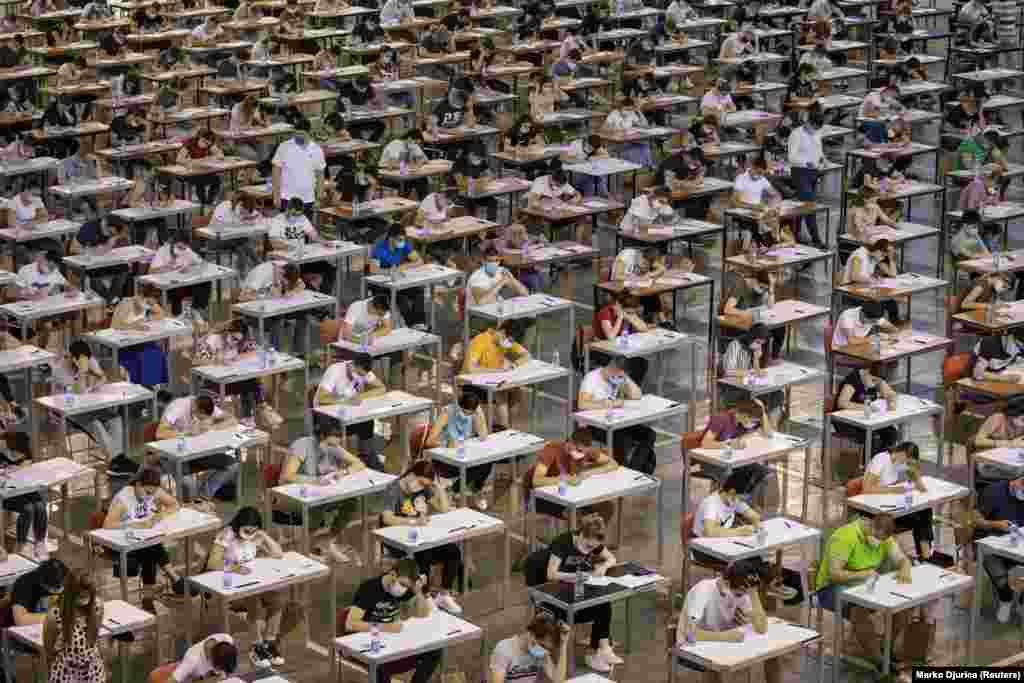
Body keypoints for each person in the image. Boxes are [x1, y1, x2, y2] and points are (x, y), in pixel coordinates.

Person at [814, 514, 917, 664]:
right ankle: (877, 660)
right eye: (876, 536)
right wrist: (863, 574)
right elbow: (834, 574)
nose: (877, 542)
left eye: (882, 539)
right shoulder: (845, 537)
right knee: (858, 611)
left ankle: (886, 647)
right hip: (831, 588)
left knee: (904, 603)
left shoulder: (885, 539)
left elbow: (901, 559)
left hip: (867, 585)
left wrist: (905, 568)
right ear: (870, 526)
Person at [535, 514, 622, 672]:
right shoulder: (563, 543)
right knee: (600, 606)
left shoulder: (593, 541)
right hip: (556, 601)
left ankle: (600, 650)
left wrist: (603, 567)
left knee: (603, 603)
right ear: (582, 534)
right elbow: (551, 574)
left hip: (578, 594)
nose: (590, 550)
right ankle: (598, 651)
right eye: (588, 547)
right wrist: (574, 576)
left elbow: (611, 558)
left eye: (593, 548)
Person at [379, 460, 465, 613]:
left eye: (425, 485)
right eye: (420, 482)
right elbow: (387, 518)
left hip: (421, 536)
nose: (421, 487)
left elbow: (444, 509)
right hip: (397, 541)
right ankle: (425, 597)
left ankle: (443, 595)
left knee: (453, 552)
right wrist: (413, 522)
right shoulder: (393, 489)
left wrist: (438, 488)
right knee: (423, 554)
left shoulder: (423, 488)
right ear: (412, 475)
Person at [205, 507, 287, 667]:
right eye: (246, 530)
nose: (249, 534)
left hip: (252, 582)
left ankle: (269, 643)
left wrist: (264, 536)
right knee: (254, 600)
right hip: (228, 586)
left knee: (278, 599)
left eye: (253, 530)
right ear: (239, 525)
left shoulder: (256, 536)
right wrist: (235, 568)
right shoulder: (227, 534)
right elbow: (212, 562)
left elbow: (278, 554)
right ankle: (256, 646)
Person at [675, 559, 780, 683]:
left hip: (721, 644)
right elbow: (689, 634)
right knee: (717, 668)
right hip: (692, 648)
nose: (740, 597)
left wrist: (753, 593)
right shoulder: (704, 590)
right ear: (725, 582)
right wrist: (724, 636)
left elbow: (761, 628)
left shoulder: (741, 590)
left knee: (771, 654)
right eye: (739, 594)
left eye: (745, 593)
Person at [102, 467, 185, 612]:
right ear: (138, 484)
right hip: (120, 542)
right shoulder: (123, 499)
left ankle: (151, 597)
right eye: (147, 493)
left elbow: (174, 505)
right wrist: (138, 525)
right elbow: (107, 525)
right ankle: (171, 578)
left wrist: (160, 515)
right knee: (150, 549)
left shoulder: (153, 491)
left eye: (152, 494)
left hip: (143, 539)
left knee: (150, 549)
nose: (149, 497)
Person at [280, 423, 365, 564]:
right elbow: (287, 476)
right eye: (329, 444)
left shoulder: (332, 446)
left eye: (335, 444)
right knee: (317, 506)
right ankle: (304, 548)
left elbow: (359, 464)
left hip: (321, 493)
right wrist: (315, 481)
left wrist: (343, 472)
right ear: (320, 437)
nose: (333, 449)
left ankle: (327, 541)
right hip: (293, 495)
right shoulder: (302, 446)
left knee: (351, 501)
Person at [345, 559, 438, 683]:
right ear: (393, 574)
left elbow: (423, 614)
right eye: (402, 584)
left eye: (407, 586)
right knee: (381, 666)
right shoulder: (369, 588)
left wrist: (419, 591)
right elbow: (350, 624)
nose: (403, 589)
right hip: (369, 643)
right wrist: (386, 627)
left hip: (391, 642)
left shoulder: (405, 589)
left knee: (434, 651)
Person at [578, 358, 657, 473]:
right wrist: (607, 404)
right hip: (596, 425)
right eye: (615, 374)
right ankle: (623, 469)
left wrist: (626, 379)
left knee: (649, 435)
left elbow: (637, 395)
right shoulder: (591, 379)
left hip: (618, 421)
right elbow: (582, 404)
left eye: (620, 375)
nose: (616, 379)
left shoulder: (619, 377)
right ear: (609, 368)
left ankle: (634, 470)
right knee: (621, 440)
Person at [155, 394, 240, 500]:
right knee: (189, 485)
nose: (201, 420)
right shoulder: (177, 407)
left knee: (233, 464)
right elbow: (160, 433)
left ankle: (203, 498)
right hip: (174, 455)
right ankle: (192, 501)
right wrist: (187, 433)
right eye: (200, 418)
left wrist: (212, 427)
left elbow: (232, 420)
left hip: (198, 452)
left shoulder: (205, 406)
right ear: (195, 409)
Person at [699, 398, 780, 508]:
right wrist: (729, 445)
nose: (753, 424)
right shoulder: (721, 419)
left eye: (756, 421)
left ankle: (747, 508)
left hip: (735, 461)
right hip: (713, 463)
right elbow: (705, 443)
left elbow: (768, 434)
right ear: (744, 415)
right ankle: (734, 509)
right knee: (741, 480)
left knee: (765, 473)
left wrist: (762, 411)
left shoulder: (744, 422)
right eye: (753, 421)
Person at [54, 340, 127, 462]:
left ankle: (115, 459)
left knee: (116, 419)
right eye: (82, 360)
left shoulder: (89, 360)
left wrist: (98, 382)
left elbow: (102, 377)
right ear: (73, 359)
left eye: (87, 359)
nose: (87, 362)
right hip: (71, 411)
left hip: (91, 407)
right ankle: (116, 460)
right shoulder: (59, 371)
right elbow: (79, 392)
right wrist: (82, 371)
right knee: (96, 424)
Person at [526, 428, 618, 522]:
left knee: (607, 507)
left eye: (584, 452)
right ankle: (583, 534)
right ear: (570, 442)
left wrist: (587, 473)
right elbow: (536, 481)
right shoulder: (552, 450)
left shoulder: (586, 450)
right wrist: (564, 479)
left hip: (572, 496)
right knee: (576, 514)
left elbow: (613, 464)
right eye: (578, 450)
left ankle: (591, 535)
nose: (581, 455)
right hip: (544, 498)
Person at [861, 441, 934, 559]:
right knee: (921, 518)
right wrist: (893, 490)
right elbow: (866, 488)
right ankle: (925, 556)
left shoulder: (899, 462)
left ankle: (925, 555)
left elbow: (920, 487)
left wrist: (914, 471)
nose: (905, 464)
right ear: (901, 452)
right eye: (906, 460)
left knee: (924, 511)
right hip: (874, 511)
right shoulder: (881, 459)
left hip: (890, 507)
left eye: (908, 462)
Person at [423, 391, 492, 510]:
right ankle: (457, 492)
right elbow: (429, 441)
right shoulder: (447, 413)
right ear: (459, 406)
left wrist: (480, 415)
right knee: (475, 468)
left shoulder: (474, 413)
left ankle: (459, 490)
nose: (467, 415)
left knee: (487, 464)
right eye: (465, 412)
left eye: (470, 413)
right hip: (444, 460)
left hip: (464, 455)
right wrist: (445, 444)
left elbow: (483, 436)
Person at [314, 354, 386, 463]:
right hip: (326, 416)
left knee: (367, 421)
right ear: (353, 366)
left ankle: (366, 458)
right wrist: (346, 400)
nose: (361, 377)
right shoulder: (335, 371)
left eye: (363, 375)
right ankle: (336, 461)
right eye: (359, 373)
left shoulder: (364, 371)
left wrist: (360, 397)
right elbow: (322, 398)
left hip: (348, 413)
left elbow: (381, 388)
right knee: (338, 430)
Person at [972, 473, 1024, 622]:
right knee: (991, 561)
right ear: (1017, 482)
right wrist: (994, 524)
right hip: (993, 543)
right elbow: (975, 518)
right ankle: (1005, 596)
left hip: (1019, 543)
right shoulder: (994, 491)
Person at [463, 319, 531, 429]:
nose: (509, 344)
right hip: (472, 382)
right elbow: (471, 369)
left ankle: (512, 429)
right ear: (502, 332)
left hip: (494, 378)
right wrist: (497, 371)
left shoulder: (504, 341)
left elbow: (526, 355)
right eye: (509, 340)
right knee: (501, 393)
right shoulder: (481, 340)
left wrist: (513, 365)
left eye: (512, 342)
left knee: (518, 391)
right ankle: (505, 430)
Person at [44, 570, 104, 683]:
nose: (85, 600)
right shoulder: (55, 615)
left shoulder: (97, 606)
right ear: (70, 593)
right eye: (81, 596)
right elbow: (49, 651)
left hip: (93, 671)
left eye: (88, 595)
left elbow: (94, 639)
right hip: (65, 673)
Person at [111, 284, 170, 388]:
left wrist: (147, 319)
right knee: (146, 356)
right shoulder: (126, 303)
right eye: (148, 303)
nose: (149, 306)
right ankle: (143, 388)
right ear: (141, 296)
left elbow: (161, 314)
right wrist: (134, 326)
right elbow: (115, 326)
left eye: (151, 304)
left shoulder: (148, 302)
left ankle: (152, 388)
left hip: (140, 341)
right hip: (124, 344)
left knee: (158, 353)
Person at [834, 362, 900, 453]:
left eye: (878, 381)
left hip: (868, 419)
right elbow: (842, 403)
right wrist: (866, 407)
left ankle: (881, 461)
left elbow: (890, 394)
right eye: (873, 380)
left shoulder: (877, 378)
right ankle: (869, 465)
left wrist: (892, 403)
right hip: (845, 421)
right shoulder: (853, 380)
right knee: (870, 438)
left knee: (891, 433)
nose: (875, 384)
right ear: (866, 372)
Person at [369, 224, 426, 327]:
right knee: (401, 299)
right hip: (381, 285)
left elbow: (420, 261)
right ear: (391, 238)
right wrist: (389, 271)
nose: (402, 242)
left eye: (403, 239)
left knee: (419, 292)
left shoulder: (403, 245)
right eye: (399, 239)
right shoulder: (380, 248)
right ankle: (413, 325)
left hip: (399, 281)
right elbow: (373, 269)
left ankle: (419, 323)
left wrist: (404, 267)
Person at [489, 613, 570, 683]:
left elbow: (558, 680)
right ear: (531, 634)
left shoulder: (542, 653)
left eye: (547, 648)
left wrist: (564, 644)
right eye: (542, 645)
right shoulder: (504, 649)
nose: (544, 651)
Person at [787, 108, 827, 249]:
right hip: (800, 172)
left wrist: (823, 159)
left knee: (803, 206)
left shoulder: (817, 133)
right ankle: (816, 239)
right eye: (814, 127)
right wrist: (806, 162)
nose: (815, 130)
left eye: (818, 128)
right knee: (809, 206)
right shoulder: (796, 134)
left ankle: (795, 233)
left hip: (814, 172)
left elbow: (818, 149)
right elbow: (791, 157)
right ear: (808, 123)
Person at [609, 244, 675, 328]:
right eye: (643, 263)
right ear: (641, 255)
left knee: (650, 291)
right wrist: (634, 277)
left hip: (634, 286)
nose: (644, 266)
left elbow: (662, 269)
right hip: (617, 286)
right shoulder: (626, 256)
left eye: (647, 264)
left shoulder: (648, 258)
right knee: (648, 294)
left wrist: (649, 274)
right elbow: (616, 276)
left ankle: (662, 322)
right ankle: (660, 322)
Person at [272, 119, 326, 218]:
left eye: (301, 134)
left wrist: (319, 198)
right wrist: (276, 196)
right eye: (296, 134)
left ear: (309, 133)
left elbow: (320, 175)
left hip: (308, 199)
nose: (298, 137)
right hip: (287, 198)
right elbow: (276, 173)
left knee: (305, 230)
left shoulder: (317, 150)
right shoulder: (284, 147)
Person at [593, 292, 649, 384]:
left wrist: (629, 317)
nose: (630, 314)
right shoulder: (605, 313)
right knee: (624, 364)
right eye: (627, 312)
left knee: (641, 363)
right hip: (603, 351)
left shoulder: (628, 313)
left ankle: (633, 389)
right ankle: (618, 389)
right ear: (618, 305)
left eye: (631, 312)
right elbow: (610, 337)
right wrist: (619, 318)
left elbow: (644, 328)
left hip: (621, 349)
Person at [148, 232, 211, 316]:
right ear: (173, 243)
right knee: (176, 291)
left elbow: (203, 263)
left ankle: (196, 309)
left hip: (183, 282)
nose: (182, 250)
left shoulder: (187, 250)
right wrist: (166, 268)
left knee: (205, 283)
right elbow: (151, 271)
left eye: (184, 248)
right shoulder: (163, 251)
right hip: (168, 285)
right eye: (179, 247)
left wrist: (191, 268)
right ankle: (177, 315)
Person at [840, 238, 901, 322]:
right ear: (877, 250)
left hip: (864, 289)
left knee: (891, 302)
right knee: (877, 304)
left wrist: (891, 258)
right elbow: (855, 276)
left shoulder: (874, 256)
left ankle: (895, 327)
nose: (882, 258)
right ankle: (877, 329)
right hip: (850, 292)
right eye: (882, 255)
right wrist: (872, 280)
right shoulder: (859, 255)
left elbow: (892, 274)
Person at [149, 634, 238, 683]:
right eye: (220, 668)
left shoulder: (227, 639)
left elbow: (225, 672)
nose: (221, 671)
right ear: (212, 661)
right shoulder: (192, 660)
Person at [466, 245, 530, 312]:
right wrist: (501, 282)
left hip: (495, 309)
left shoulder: (501, 271)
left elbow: (525, 293)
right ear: (483, 262)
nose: (493, 263)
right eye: (490, 261)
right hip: (477, 314)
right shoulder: (477, 277)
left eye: (496, 261)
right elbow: (481, 302)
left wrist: (512, 279)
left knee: (522, 315)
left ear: (499, 262)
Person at [10, 558, 66, 626]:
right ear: (42, 583)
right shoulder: (25, 583)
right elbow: (20, 620)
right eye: (54, 589)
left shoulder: (70, 579)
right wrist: (57, 618)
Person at [601, 97, 653, 168]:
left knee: (644, 146)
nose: (628, 111)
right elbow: (603, 128)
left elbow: (645, 125)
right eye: (626, 109)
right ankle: (634, 166)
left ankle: (647, 165)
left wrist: (638, 111)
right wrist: (616, 130)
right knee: (634, 149)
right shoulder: (613, 114)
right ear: (620, 108)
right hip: (616, 143)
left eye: (630, 109)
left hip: (628, 140)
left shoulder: (631, 113)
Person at [454, 141, 499, 221]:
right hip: (460, 194)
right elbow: (460, 183)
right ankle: (472, 227)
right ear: (471, 154)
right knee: (470, 204)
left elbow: (491, 175)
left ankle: (491, 227)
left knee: (493, 202)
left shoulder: (480, 162)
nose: (480, 161)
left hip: (477, 192)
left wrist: (487, 178)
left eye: (481, 159)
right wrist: (481, 181)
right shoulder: (459, 163)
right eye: (478, 158)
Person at [379, 129, 429, 199]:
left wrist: (418, 164)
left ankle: (423, 203)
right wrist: (410, 166)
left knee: (422, 180)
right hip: (387, 175)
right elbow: (391, 165)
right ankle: (402, 203)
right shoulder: (396, 144)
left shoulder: (413, 145)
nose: (416, 145)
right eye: (415, 142)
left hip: (404, 174)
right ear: (409, 138)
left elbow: (425, 159)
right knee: (407, 182)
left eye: (418, 143)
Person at [831, 299, 898, 348]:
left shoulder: (873, 314)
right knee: (877, 359)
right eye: (872, 321)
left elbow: (892, 328)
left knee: (886, 354)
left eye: (876, 321)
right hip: (842, 349)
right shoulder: (847, 317)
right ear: (863, 315)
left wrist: (891, 336)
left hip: (860, 346)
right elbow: (852, 341)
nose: (875, 323)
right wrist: (875, 337)